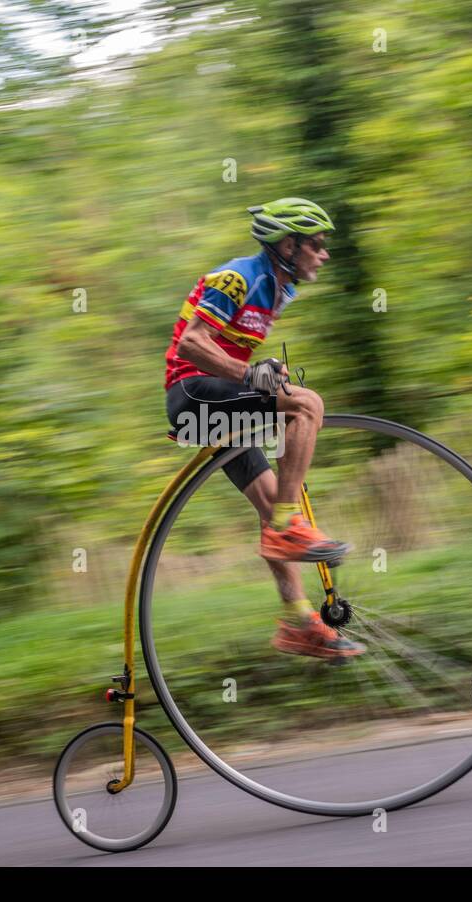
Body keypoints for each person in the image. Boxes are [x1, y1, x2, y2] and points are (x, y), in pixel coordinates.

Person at [163, 197, 366, 660]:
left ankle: (299, 623)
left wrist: (260, 369)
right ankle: (286, 526)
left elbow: (230, 349)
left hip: (216, 402)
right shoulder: (238, 278)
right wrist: (248, 374)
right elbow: (194, 344)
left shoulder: (280, 290)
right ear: (288, 245)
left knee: (271, 499)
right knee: (307, 406)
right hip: (193, 396)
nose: (325, 253)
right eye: (316, 244)